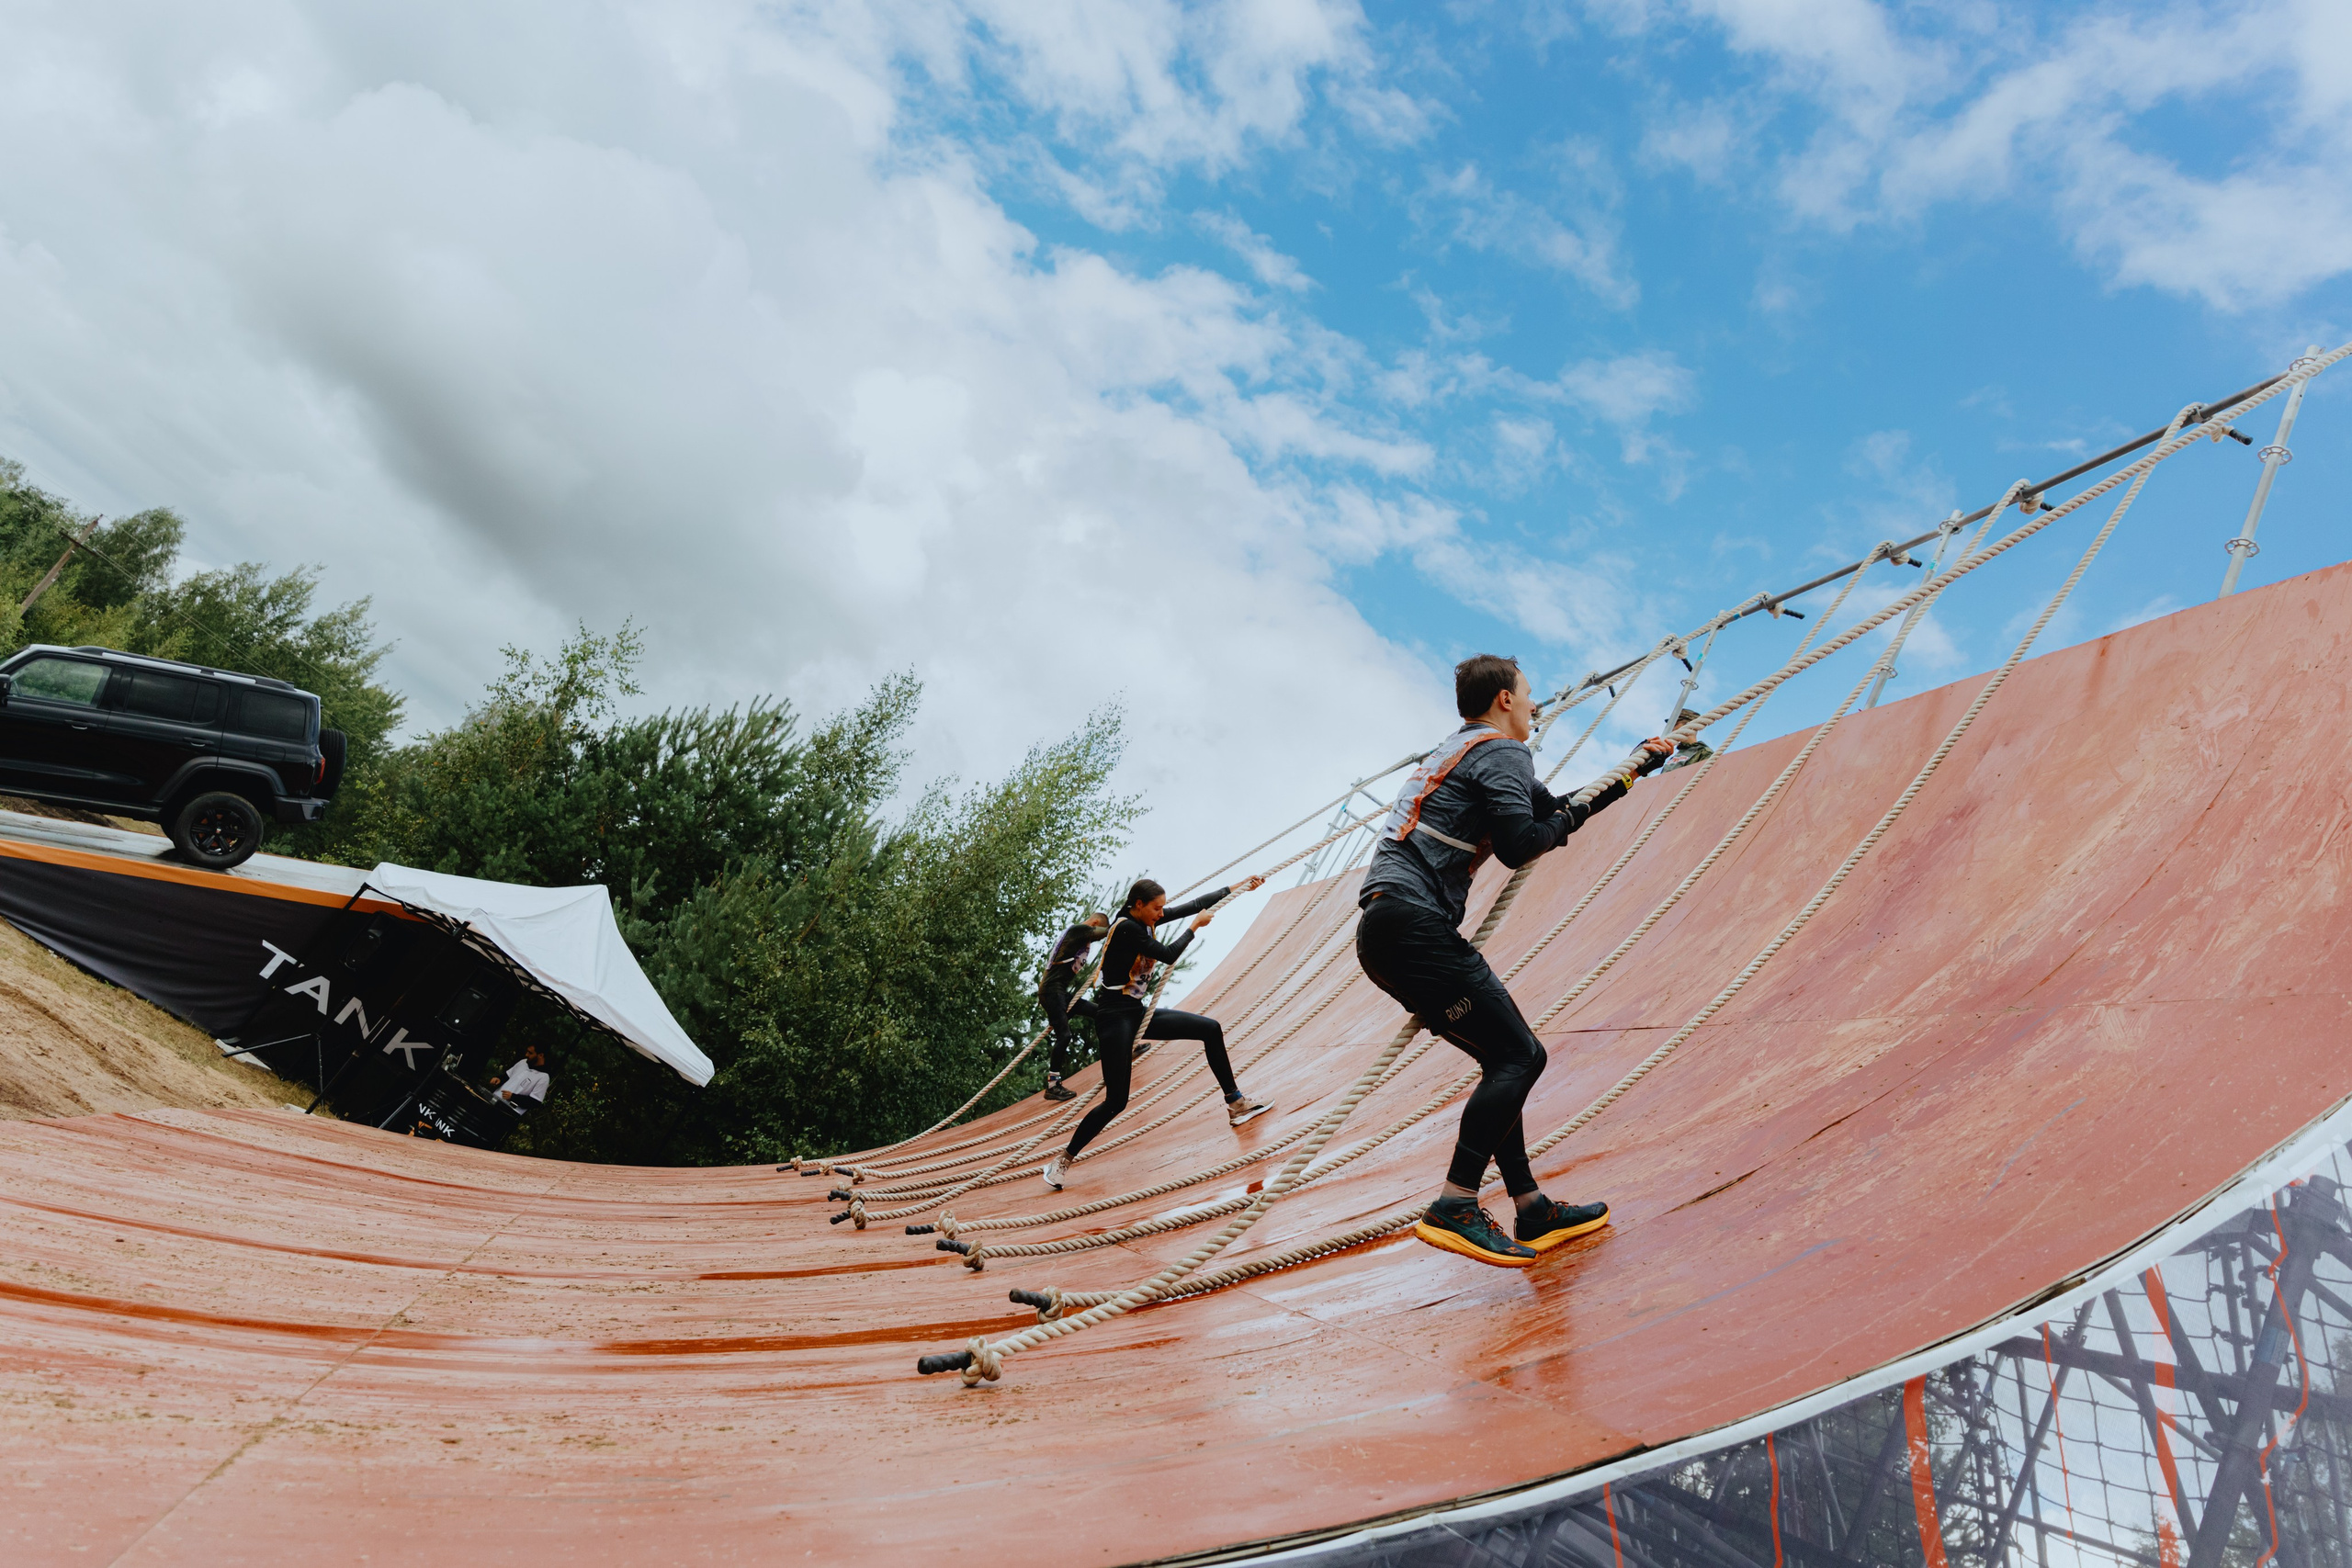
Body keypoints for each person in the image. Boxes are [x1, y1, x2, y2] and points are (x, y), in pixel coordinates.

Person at [1356, 654, 1674, 1267]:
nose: (1537, 705)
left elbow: (1555, 809)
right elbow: (1520, 843)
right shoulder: (1501, 752)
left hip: (1387, 931)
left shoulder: (1464, 749)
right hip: (1413, 926)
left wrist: (1633, 767)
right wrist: (1563, 818)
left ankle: (1531, 1208)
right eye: (1530, 695)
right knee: (1522, 1056)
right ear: (1504, 699)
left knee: (1503, 1060)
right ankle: (1455, 1202)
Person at [1040, 874, 1270, 1190]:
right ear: (1138, 906)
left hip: (1136, 1012)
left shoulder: (1145, 921)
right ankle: (1063, 1159)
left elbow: (1194, 905)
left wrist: (1238, 886)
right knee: (1116, 1102)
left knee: (1210, 1029)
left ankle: (1236, 1103)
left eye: (1162, 908)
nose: (1162, 913)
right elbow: (1170, 954)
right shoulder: (1127, 928)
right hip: (1113, 1017)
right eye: (1156, 909)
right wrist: (1193, 929)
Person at [1036, 912, 1110, 1100]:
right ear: (1094, 923)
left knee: (1099, 1012)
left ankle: (1123, 1044)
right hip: (1052, 992)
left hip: (1059, 992)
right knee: (1064, 1035)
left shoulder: (1079, 938)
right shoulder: (1079, 930)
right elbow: (1106, 932)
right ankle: (1053, 1085)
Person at [489, 1042, 552, 1116]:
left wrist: (513, 1097)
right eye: (527, 1052)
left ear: (541, 1055)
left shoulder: (543, 1077)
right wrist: (499, 1079)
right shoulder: (523, 1062)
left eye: (530, 1053)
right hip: (493, 1101)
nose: (526, 1055)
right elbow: (507, 1076)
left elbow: (535, 1102)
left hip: (507, 1114)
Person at [1657, 709, 1713, 773]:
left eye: (1675, 724)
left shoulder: (1704, 752)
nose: (1672, 729)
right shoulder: (1675, 757)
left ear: (1689, 725)